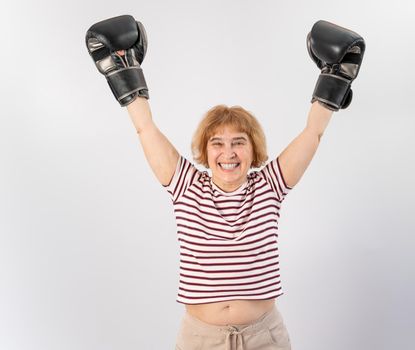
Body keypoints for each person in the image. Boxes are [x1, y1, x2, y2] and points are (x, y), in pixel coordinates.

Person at [85, 15, 365, 350]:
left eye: (239, 142)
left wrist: (333, 79)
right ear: (204, 150)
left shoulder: (269, 186)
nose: (227, 152)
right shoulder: (186, 185)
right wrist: (124, 72)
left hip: (266, 338)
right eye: (217, 142)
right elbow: (146, 129)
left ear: (253, 148)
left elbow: (313, 133)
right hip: (200, 339)